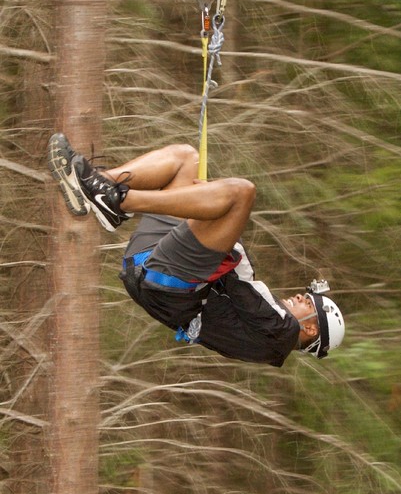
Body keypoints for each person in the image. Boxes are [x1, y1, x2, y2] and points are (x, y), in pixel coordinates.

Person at [48, 133, 345, 366]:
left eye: (308, 302)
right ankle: (98, 185)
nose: (299, 296)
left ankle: (118, 199)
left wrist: (212, 207)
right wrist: (201, 202)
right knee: (185, 159)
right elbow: (240, 278)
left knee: (242, 193)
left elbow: (239, 278)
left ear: (310, 330)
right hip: (157, 273)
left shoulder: (281, 332)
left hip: (169, 284)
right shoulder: (270, 333)